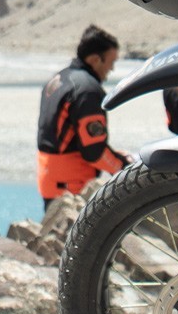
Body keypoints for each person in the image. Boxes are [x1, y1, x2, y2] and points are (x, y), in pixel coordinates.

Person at [36, 25, 128, 208]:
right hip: (72, 186)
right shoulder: (87, 89)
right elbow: (94, 151)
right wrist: (124, 168)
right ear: (95, 59)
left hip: (49, 181)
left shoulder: (59, 79)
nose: (111, 69)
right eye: (111, 62)